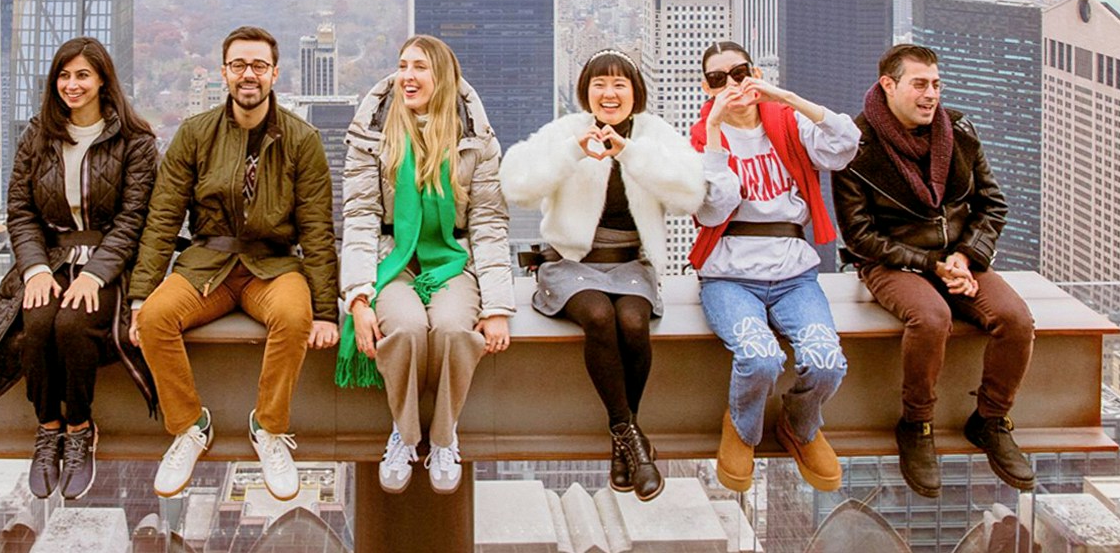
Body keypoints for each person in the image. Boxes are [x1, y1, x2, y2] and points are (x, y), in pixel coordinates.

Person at [128, 26, 339, 501]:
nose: (249, 75)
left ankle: (269, 428)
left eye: (259, 66)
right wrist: (141, 294)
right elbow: (163, 216)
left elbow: (317, 230)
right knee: (156, 319)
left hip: (273, 265)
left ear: (274, 74)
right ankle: (189, 426)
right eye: (239, 65)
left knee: (294, 317)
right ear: (224, 72)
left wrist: (326, 311)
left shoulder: (301, 139)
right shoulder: (195, 133)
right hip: (209, 264)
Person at [499, 49, 704, 500]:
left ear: (636, 92)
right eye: (599, 84)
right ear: (585, 91)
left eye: (619, 85)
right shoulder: (567, 131)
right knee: (597, 315)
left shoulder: (654, 134)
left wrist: (630, 154)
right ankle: (631, 439)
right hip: (570, 262)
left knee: (632, 321)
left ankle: (623, 441)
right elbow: (516, 184)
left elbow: (690, 193)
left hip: (630, 262)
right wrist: (573, 152)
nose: (609, 94)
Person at [834, 43, 1035, 498]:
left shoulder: (958, 130)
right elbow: (860, 236)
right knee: (930, 318)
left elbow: (992, 204)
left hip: (959, 258)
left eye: (937, 85)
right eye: (920, 84)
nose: (931, 95)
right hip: (893, 261)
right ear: (888, 85)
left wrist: (965, 256)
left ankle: (991, 419)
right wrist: (932, 264)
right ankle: (917, 424)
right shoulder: (856, 146)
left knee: (1016, 319)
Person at [0, 38, 159, 500]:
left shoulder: (135, 141)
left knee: (73, 325)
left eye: (82, 76)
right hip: (51, 257)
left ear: (103, 81)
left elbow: (134, 219)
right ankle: (47, 427)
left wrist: (95, 274)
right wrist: (35, 268)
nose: (72, 85)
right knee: (36, 324)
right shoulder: (38, 135)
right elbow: (21, 211)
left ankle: (78, 428)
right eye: (64, 76)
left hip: (108, 263)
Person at [337, 36, 513, 495]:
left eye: (420, 67)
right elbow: (359, 214)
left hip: (452, 258)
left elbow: (488, 222)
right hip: (391, 257)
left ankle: (444, 436)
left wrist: (497, 307)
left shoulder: (475, 137)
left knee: (455, 330)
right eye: (403, 66)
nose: (407, 76)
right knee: (407, 329)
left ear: (443, 78)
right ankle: (405, 433)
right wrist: (358, 297)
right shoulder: (372, 133)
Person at [689, 41, 855, 494]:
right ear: (707, 88)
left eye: (740, 73)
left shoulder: (787, 123)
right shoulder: (701, 139)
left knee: (826, 361)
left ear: (755, 74)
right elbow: (713, 209)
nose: (732, 85)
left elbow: (844, 145)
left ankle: (801, 425)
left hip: (794, 274)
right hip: (729, 276)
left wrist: (785, 98)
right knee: (760, 357)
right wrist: (717, 128)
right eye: (719, 79)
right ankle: (742, 429)